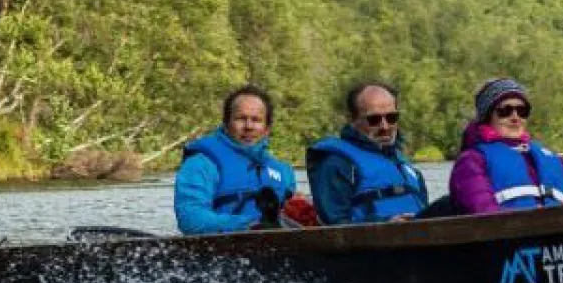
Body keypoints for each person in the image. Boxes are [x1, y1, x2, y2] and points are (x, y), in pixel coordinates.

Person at [448, 77, 563, 214]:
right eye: (505, 111)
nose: (515, 117)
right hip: (510, 239)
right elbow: (482, 209)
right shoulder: (472, 161)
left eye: (522, 111)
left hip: (561, 238)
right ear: (488, 117)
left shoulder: (552, 159)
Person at [174, 85, 301, 234]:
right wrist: (250, 225)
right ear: (227, 124)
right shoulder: (201, 164)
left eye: (256, 120)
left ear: (267, 129)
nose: (248, 126)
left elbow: (297, 216)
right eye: (241, 118)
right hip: (223, 250)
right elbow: (190, 219)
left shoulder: (283, 172)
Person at [306, 81, 428, 225]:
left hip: (420, 239)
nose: (385, 126)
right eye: (374, 119)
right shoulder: (336, 163)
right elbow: (335, 224)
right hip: (372, 244)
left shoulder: (407, 167)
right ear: (352, 119)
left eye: (391, 118)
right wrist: (384, 224)